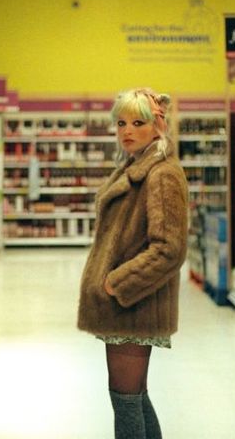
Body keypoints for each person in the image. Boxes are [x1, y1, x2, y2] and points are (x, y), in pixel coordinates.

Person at [77, 88, 189, 439]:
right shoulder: (136, 166)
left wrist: (117, 283)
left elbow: (169, 248)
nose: (126, 130)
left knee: (125, 400)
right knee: (134, 396)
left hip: (134, 304)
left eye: (138, 122)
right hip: (129, 306)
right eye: (121, 122)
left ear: (157, 125)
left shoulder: (160, 174)